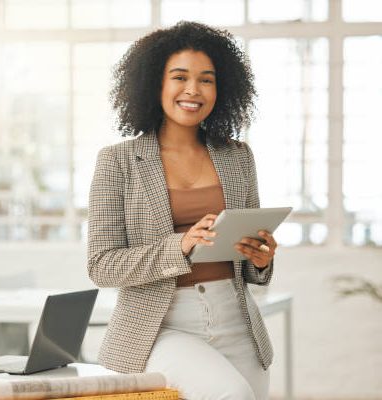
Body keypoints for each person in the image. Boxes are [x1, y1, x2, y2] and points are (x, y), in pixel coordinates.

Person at [87, 21, 277, 400]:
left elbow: (254, 268)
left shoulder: (238, 157)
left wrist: (261, 258)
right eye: (179, 77)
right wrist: (181, 245)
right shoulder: (118, 161)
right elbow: (101, 266)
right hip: (161, 325)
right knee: (230, 394)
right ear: (154, 83)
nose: (193, 90)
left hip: (236, 319)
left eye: (206, 79)